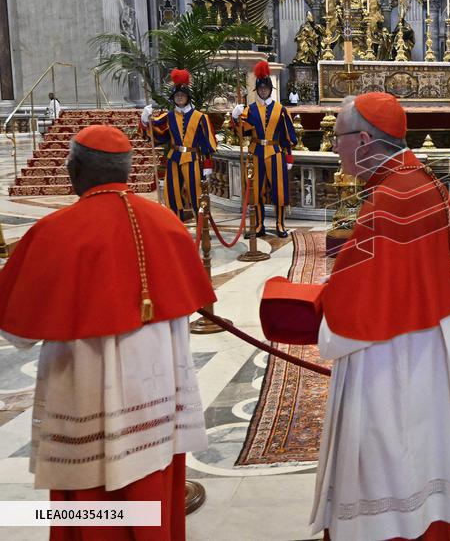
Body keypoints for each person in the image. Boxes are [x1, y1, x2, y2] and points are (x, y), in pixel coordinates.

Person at [0, 125, 216, 541]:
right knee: (150, 498)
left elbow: (17, 328)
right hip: (155, 406)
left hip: (86, 403)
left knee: (94, 510)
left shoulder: (54, 233)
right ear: (129, 170)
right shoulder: (168, 224)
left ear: (74, 171)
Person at [311, 92, 450, 540]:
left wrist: (315, 309)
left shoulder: (393, 197)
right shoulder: (415, 180)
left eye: (337, 137)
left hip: (396, 353)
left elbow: (358, 304)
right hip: (425, 337)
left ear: (366, 141)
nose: (333, 147)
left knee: (390, 443)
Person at [141, 69, 217, 221]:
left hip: (193, 159)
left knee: (196, 193)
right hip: (174, 158)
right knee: (172, 192)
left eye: (182, 95)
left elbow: (207, 142)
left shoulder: (200, 117)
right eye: (177, 96)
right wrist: (145, 120)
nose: (179, 98)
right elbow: (157, 132)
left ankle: (202, 225)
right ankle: (175, 223)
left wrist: (208, 164)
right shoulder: (168, 116)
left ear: (188, 97)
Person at [232, 61, 297, 238]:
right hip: (256, 153)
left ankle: (280, 224)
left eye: (265, 88)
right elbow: (241, 132)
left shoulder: (281, 110)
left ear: (270, 89)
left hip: (276, 153)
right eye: (260, 89)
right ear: (257, 90)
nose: (262, 91)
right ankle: (259, 224)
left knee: (279, 190)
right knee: (256, 189)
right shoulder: (250, 110)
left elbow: (287, 136)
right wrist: (235, 117)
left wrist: (289, 157)